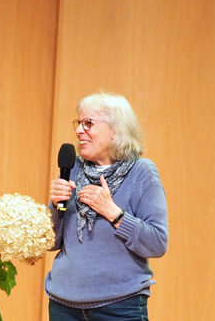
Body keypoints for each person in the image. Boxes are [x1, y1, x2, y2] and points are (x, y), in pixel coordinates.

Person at [45, 91, 169, 321]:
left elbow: (157, 243)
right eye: (79, 123)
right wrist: (54, 207)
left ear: (115, 131)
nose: (79, 130)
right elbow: (50, 242)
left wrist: (113, 212)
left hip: (119, 306)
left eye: (88, 123)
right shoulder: (73, 169)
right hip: (63, 303)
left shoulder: (141, 172)